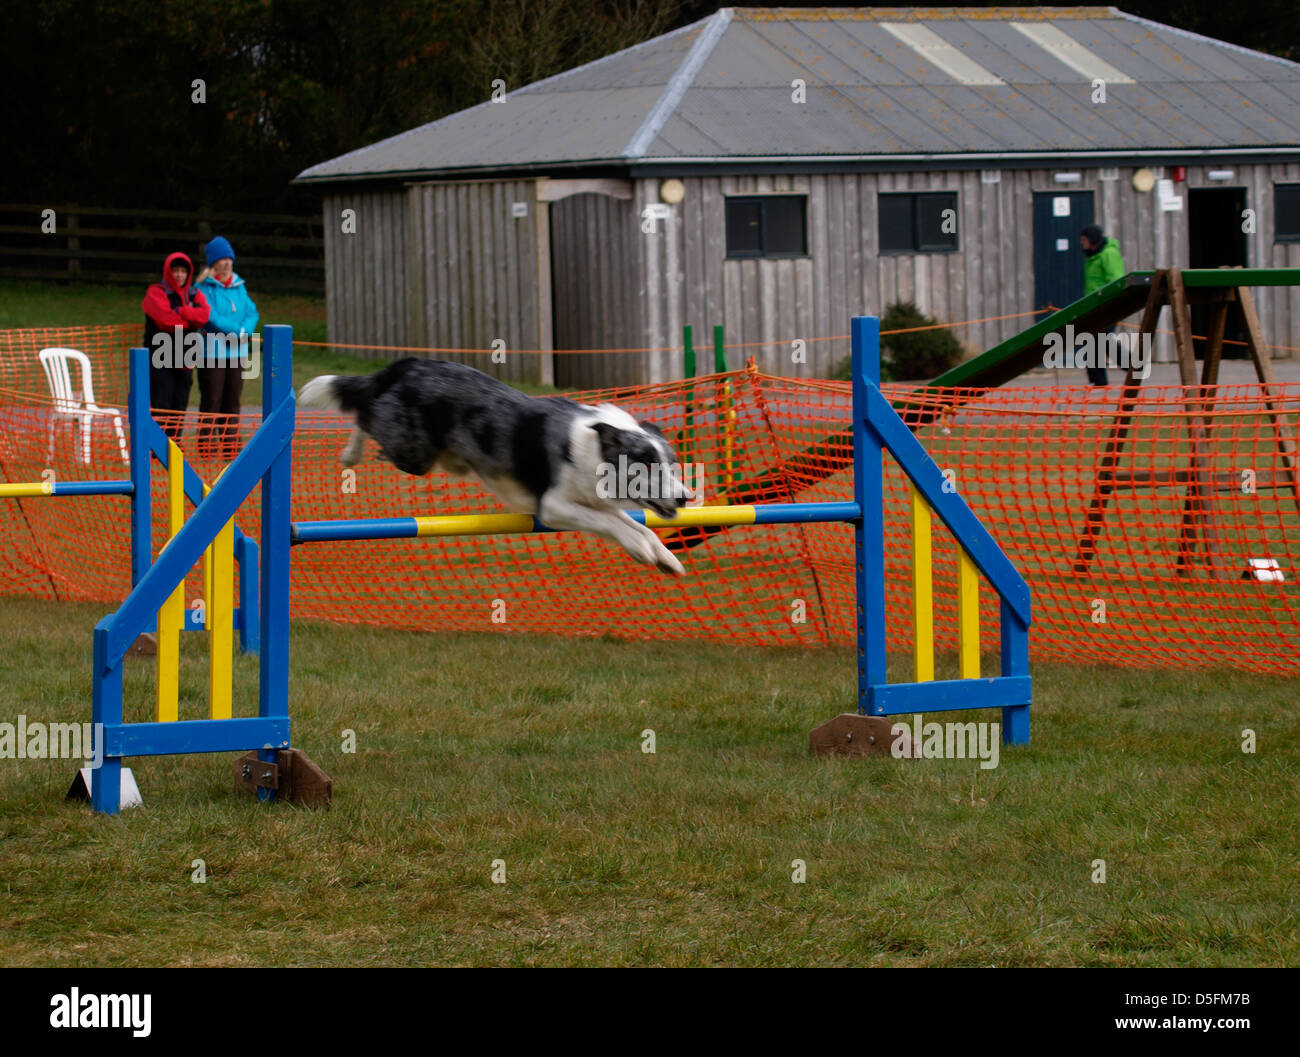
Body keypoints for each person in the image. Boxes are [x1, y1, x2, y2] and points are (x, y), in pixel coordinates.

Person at [195, 236, 259, 461]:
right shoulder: (202, 289)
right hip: (211, 354)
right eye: (221, 260)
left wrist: (244, 331)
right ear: (213, 264)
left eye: (228, 259)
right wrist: (235, 331)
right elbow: (209, 316)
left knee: (233, 402)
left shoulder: (239, 286)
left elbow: (252, 312)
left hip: (238, 353)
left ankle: (231, 448)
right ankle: (206, 448)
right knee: (212, 400)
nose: (226, 263)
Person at [142, 252, 209, 439]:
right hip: (160, 359)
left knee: (180, 405)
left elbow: (204, 316)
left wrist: (181, 311)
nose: (179, 275)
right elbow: (166, 320)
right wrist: (190, 319)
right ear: (168, 272)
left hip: (185, 358)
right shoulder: (155, 292)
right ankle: (156, 448)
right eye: (176, 271)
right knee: (161, 404)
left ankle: (174, 446)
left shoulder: (194, 293)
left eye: (183, 271)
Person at [1079, 224, 1126, 386]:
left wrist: (1110, 301)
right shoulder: (1092, 257)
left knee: (1102, 340)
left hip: (1108, 305)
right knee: (1093, 340)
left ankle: (1133, 366)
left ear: (1092, 240)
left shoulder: (1109, 254)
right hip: (1093, 306)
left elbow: (1116, 280)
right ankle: (1097, 381)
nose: (1082, 243)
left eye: (1084, 240)